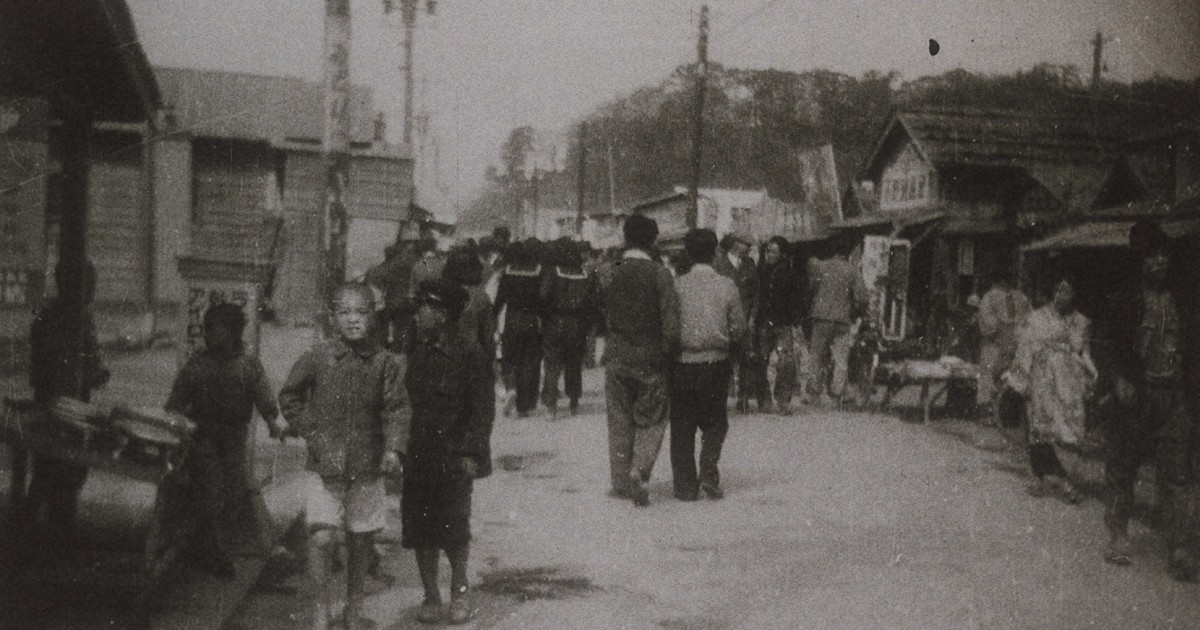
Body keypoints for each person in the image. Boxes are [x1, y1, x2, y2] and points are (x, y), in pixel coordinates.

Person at [278, 284, 409, 630]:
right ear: (334, 318)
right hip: (326, 464)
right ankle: (321, 609)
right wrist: (311, 430)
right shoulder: (318, 356)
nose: (353, 320)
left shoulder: (386, 363)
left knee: (361, 538)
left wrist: (394, 448)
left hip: (366, 465)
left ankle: (353, 607)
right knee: (321, 537)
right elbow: (289, 396)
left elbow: (396, 409)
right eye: (345, 313)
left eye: (361, 313)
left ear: (373, 316)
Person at [1096, 221, 1196, 581]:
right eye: (1151, 257)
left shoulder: (1183, 301)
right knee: (1123, 468)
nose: (1159, 262)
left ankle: (1181, 548)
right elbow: (1103, 343)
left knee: (1177, 476)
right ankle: (1119, 535)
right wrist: (1117, 378)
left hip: (1174, 398)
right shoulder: (1125, 299)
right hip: (1136, 397)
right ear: (1140, 261)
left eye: (1163, 256)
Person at [165, 303, 286, 579]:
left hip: (234, 439)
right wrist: (177, 426)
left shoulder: (248, 365)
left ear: (232, 333)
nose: (207, 335)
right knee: (211, 493)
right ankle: (217, 554)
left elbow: (264, 399)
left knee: (233, 494)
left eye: (214, 329)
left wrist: (272, 424)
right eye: (205, 329)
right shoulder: (198, 364)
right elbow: (174, 402)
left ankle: (218, 548)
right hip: (202, 439)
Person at [403, 279, 495, 624]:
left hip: (454, 456)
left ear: (440, 314)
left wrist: (471, 453)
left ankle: (459, 591)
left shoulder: (470, 354)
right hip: (419, 454)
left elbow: (482, 409)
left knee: (455, 529)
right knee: (419, 529)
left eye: (421, 309)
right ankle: (430, 594)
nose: (415, 316)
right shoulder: (417, 351)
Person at [24, 260, 109, 555]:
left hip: (72, 404)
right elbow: (52, 367)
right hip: (53, 404)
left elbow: (90, 361)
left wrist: (95, 373)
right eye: (87, 286)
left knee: (66, 469)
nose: (91, 292)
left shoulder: (77, 317)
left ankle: (53, 530)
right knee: (51, 468)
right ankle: (36, 534)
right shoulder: (52, 319)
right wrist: (92, 374)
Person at [598, 214, 680, 506]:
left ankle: (620, 482)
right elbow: (670, 322)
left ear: (625, 237)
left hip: (617, 353)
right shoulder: (660, 273)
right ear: (653, 240)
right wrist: (668, 352)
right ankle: (640, 470)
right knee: (653, 418)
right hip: (650, 356)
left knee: (619, 419)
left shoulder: (609, 269)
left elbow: (600, 311)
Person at [1004, 274, 1096, 503]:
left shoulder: (1081, 322)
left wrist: (1093, 374)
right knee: (1039, 426)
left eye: (1066, 291)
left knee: (1068, 430)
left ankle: (1066, 480)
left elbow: (1083, 352)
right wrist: (1021, 380)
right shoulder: (1037, 318)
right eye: (1057, 290)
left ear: (1075, 294)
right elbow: (1026, 349)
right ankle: (1039, 476)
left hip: (1069, 383)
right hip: (1041, 379)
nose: (1061, 296)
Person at [670, 229, 746, 501]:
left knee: (682, 425)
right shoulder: (728, 285)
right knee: (715, 422)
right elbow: (738, 328)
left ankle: (685, 487)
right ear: (715, 252)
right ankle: (709, 471)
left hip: (682, 363)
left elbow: (669, 326)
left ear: (688, 254)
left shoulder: (677, 286)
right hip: (716, 362)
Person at [806, 236, 869, 406]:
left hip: (820, 317)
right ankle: (836, 395)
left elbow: (811, 289)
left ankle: (814, 394)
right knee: (841, 359)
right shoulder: (852, 271)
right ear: (848, 253)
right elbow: (862, 298)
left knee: (816, 356)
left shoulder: (821, 267)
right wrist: (856, 312)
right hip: (842, 320)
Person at [539, 238, 598, 418]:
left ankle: (551, 406)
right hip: (577, 324)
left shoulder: (553, 272)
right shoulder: (585, 274)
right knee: (574, 363)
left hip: (556, 322)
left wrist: (545, 317)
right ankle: (573, 401)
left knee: (552, 363)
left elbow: (543, 297)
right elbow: (592, 302)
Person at [493, 239, 545, 417]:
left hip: (512, 319)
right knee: (528, 362)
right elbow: (543, 298)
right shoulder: (538, 271)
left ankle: (510, 387)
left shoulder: (508, 271)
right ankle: (523, 406)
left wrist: (493, 317)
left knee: (509, 358)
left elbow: (500, 299)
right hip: (531, 319)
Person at [755, 236, 804, 415]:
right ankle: (764, 399)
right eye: (768, 251)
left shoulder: (791, 275)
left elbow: (797, 300)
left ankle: (783, 400)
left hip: (783, 324)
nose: (769, 254)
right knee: (760, 361)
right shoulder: (760, 271)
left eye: (773, 251)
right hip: (763, 324)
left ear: (782, 254)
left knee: (786, 362)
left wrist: (796, 322)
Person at [713, 233, 759, 413]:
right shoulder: (718, 264)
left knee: (745, 360)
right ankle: (720, 400)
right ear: (733, 244)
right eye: (744, 243)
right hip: (724, 322)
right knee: (723, 362)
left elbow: (756, 293)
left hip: (745, 321)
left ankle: (744, 398)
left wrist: (753, 317)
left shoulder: (749, 264)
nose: (748, 246)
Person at [978, 270, 1032, 407]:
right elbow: (1029, 322)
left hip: (998, 344)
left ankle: (990, 408)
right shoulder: (1022, 297)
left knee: (991, 372)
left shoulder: (989, 298)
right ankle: (1006, 408)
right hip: (1014, 345)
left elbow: (990, 326)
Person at [441, 244, 497, 362]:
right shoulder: (481, 297)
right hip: (471, 357)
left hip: (444, 353)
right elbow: (488, 336)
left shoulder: (442, 292)